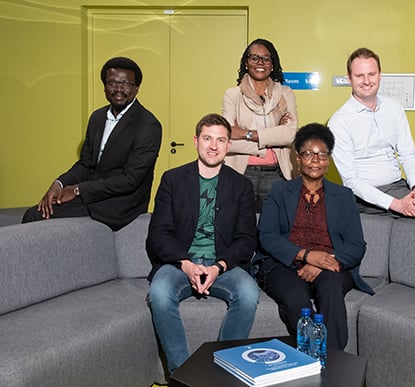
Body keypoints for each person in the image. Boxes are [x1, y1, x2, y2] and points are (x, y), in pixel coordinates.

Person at [146, 113, 260, 374]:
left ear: (228, 145)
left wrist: (219, 266)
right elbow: (159, 233)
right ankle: (183, 375)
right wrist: (186, 265)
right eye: (207, 138)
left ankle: (222, 372)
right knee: (160, 294)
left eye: (221, 140)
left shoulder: (241, 185)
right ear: (196, 141)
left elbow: (246, 239)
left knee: (249, 293)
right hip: (179, 263)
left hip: (223, 266)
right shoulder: (172, 179)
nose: (213, 146)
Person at [254, 123, 373, 351]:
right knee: (293, 293)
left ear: (328, 160)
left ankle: (334, 361)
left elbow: (357, 244)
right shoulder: (280, 191)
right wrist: (306, 255)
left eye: (322, 154)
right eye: (308, 153)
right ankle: (311, 356)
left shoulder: (344, 196)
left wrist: (325, 262)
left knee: (330, 289)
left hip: (330, 265)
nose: (315, 160)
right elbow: (267, 235)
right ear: (298, 159)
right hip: (284, 265)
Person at [328, 47, 415, 224]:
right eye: (359, 76)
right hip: (364, 197)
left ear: (380, 75)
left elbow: (407, 152)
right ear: (349, 78)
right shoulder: (339, 121)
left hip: (398, 186)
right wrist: (396, 204)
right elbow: (351, 181)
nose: (366, 81)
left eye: (371, 74)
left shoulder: (393, 108)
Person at [22, 57, 162, 231]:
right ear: (104, 86)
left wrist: (77, 190)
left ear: (136, 87)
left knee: (36, 217)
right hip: (93, 194)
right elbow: (85, 164)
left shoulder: (148, 125)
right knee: (35, 213)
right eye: (112, 82)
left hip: (121, 205)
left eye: (125, 83)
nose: (118, 89)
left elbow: (130, 180)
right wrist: (59, 183)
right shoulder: (97, 117)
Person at [222, 38, 298, 212]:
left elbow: (290, 135)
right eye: (254, 58)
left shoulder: (285, 94)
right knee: (240, 230)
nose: (260, 63)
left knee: (273, 230)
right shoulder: (233, 95)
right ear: (246, 63)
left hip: (277, 174)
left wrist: (246, 133)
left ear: (272, 65)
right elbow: (227, 139)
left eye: (266, 58)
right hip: (241, 173)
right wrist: (271, 139)